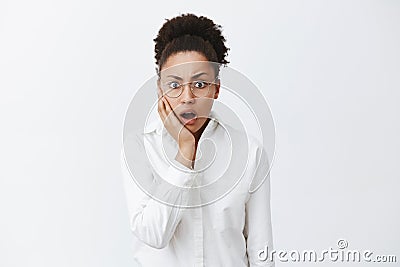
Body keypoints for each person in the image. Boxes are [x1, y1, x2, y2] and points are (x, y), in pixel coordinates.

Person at [121, 13, 274, 267]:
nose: (187, 97)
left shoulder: (249, 153)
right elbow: (154, 234)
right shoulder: (139, 149)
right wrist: (184, 154)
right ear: (160, 90)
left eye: (200, 84)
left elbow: (261, 250)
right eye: (174, 85)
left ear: (216, 88)